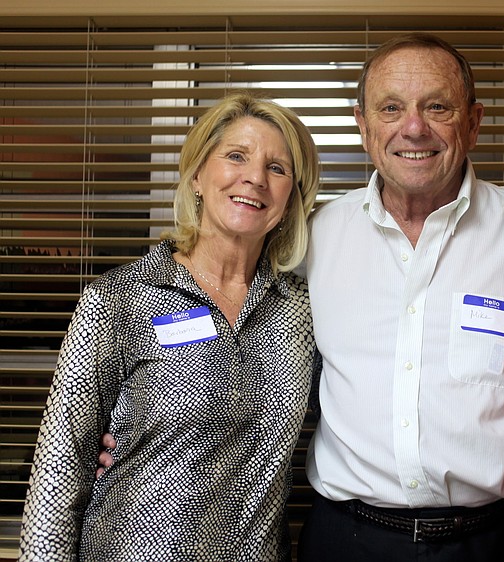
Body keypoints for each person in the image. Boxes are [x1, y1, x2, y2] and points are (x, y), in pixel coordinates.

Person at [19, 92, 320, 561]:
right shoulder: (119, 299)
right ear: (198, 175)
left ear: (292, 196)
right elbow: (59, 471)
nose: (255, 178)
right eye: (236, 156)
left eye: (277, 169)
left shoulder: (303, 311)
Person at [296, 33, 504, 561]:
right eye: (391, 108)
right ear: (363, 127)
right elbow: (239, 342)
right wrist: (144, 426)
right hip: (347, 539)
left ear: (474, 123)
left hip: (496, 542)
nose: (414, 127)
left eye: (437, 106)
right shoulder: (311, 238)